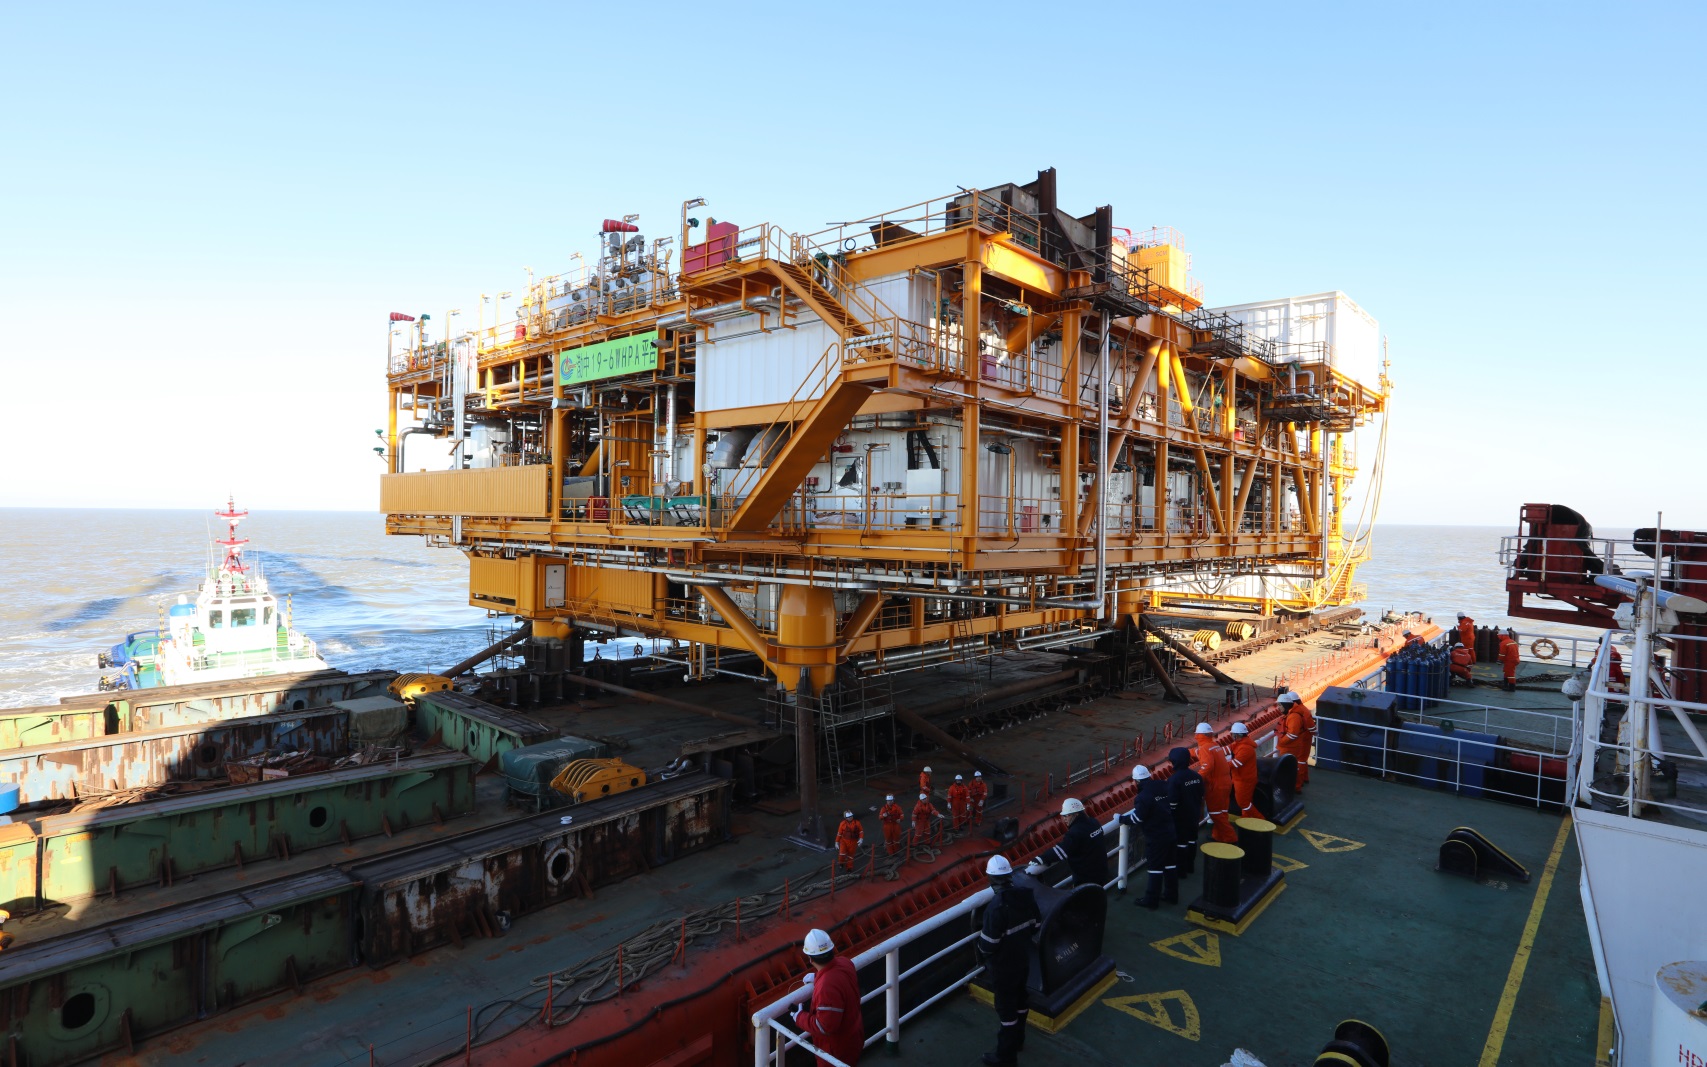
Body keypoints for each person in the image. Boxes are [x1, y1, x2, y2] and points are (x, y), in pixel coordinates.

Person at [976, 855, 1040, 1066]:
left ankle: (1006, 1056)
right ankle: (1018, 1040)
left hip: (1003, 967)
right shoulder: (1026, 897)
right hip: (1022, 959)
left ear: (990, 878)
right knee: (1021, 1000)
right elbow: (1036, 926)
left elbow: (987, 945)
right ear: (1010, 875)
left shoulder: (996, 908)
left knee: (1006, 1010)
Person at [792, 929, 865, 1067]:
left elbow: (824, 1027)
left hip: (836, 1052)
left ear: (810, 959)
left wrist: (799, 1017)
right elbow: (837, 978)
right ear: (831, 949)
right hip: (854, 1037)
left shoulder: (826, 987)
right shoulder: (846, 963)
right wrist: (818, 977)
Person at [1119, 765, 1178, 909]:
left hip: (1156, 837)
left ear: (1136, 781)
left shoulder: (1142, 797)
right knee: (1170, 865)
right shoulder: (1163, 785)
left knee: (1155, 868)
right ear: (1149, 775)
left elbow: (1137, 818)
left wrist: (1120, 819)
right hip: (1171, 832)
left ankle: (1151, 900)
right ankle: (1171, 895)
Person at [1026, 798, 1107, 887]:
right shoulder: (1094, 822)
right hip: (1101, 872)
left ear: (1076, 814)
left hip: (1086, 878)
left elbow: (1061, 851)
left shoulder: (1075, 832)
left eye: (1066, 816)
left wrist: (1041, 858)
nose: (1064, 819)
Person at [1192, 723, 1238, 843]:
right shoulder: (1214, 745)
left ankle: (1231, 838)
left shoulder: (1204, 748)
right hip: (1226, 782)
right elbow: (1200, 753)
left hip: (1216, 785)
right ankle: (1218, 836)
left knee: (1215, 814)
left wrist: (1198, 778)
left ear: (1199, 735)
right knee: (1222, 812)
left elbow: (1207, 766)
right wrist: (1188, 752)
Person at [1165, 746, 1205, 877]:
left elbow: (1172, 803)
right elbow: (1201, 795)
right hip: (1194, 815)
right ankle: (1190, 866)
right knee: (1192, 840)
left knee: (1181, 844)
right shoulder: (1197, 776)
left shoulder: (1174, 779)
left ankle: (1181, 871)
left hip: (1180, 819)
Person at [1276, 692, 1314, 791]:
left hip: (1290, 746)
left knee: (1292, 766)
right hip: (1294, 744)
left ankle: (1295, 787)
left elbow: (1292, 734)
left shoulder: (1294, 717)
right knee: (1295, 765)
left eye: (1279, 705)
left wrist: (1281, 742)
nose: (1278, 708)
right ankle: (1298, 784)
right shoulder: (1296, 713)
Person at [1226, 722, 1258, 818]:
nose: (1231, 736)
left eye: (1232, 734)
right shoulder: (1240, 743)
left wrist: (1219, 765)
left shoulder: (1245, 748)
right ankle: (1246, 818)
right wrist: (1214, 751)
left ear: (1237, 735)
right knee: (1246, 801)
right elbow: (1227, 749)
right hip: (1241, 777)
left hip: (1244, 780)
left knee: (1243, 802)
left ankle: (1260, 819)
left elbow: (1236, 763)